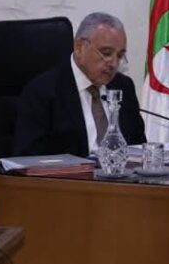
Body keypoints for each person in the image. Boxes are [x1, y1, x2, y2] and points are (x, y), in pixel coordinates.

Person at [14, 12, 146, 156]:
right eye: (106, 53)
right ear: (79, 47)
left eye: (120, 55)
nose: (114, 64)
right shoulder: (43, 91)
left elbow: (138, 147)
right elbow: (29, 156)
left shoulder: (123, 87)